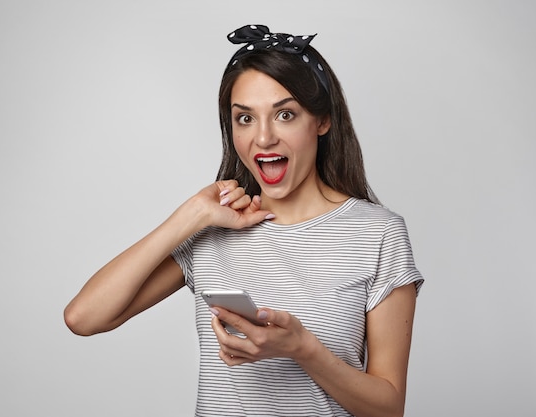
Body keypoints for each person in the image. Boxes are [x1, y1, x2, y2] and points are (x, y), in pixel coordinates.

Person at [64, 24, 424, 417]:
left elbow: (388, 409)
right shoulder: (215, 228)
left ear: (322, 121)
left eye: (285, 114)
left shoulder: (378, 233)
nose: (264, 138)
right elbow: (83, 317)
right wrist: (190, 216)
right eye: (245, 118)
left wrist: (303, 349)